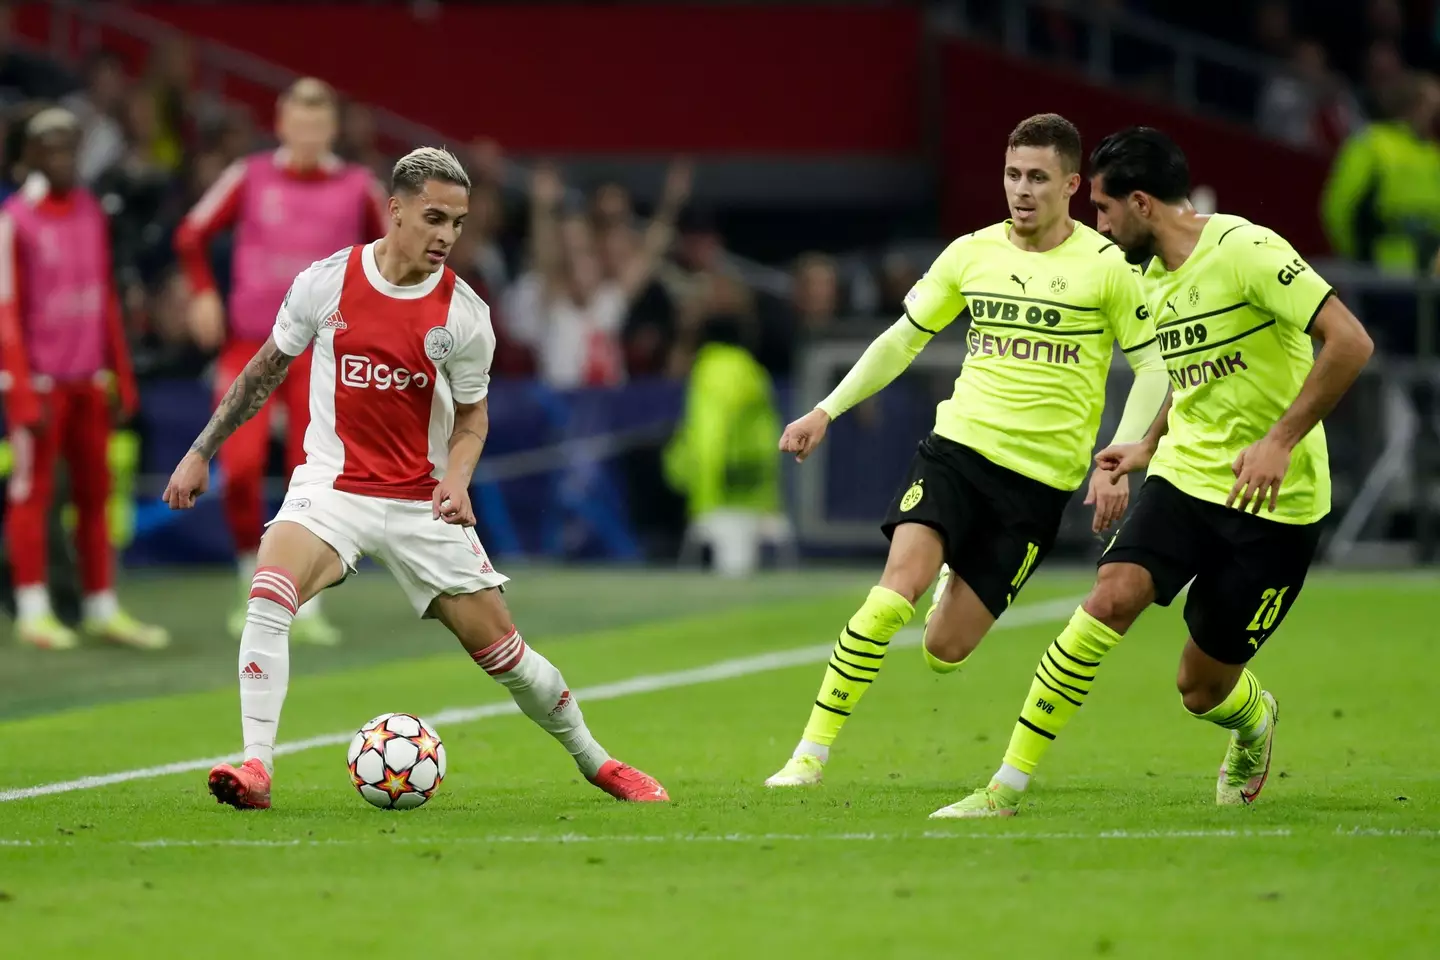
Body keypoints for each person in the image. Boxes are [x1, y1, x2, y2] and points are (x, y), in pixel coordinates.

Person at [162, 147, 668, 810]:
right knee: (267, 595)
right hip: (333, 488)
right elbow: (262, 372)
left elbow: (472, 420)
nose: (446, 237)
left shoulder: (464, 315)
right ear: (394, 210)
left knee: (507, 657)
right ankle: (256, 768)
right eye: (434, 218)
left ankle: (598, 762)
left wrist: (457, 481)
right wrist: (202, 449)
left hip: (419, 503)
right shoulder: (326, 282)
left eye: (457, 223)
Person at [934, 127, 1374, 819]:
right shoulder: (1144, 277)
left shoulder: (1246, 251)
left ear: (1141, 203)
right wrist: (1144, 444)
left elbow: (1351, 342)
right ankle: (1004, 787)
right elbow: (1191, 372)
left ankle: (1253, 720)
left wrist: (1280, 440)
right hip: (1184, 479)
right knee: (1111, 595)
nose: (1098, 227)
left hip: (1276, 503)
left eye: (1104, 211)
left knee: (1199, 688)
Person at [764, 114, 1169, 787]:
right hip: (957, 449)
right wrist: (826, 410)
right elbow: (902, 339)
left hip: (1037, 485)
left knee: (944, 651)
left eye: (1038, 177)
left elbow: (1152, 365)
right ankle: (809, 755)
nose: (1022, 189)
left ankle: (956, 581)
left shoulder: (1107, 268)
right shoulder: (971, 253)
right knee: (894, 592)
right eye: (1013, 174)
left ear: (1072, 184)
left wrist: (1119, 457)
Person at [175, 77, 388, 645]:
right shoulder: (250, 176)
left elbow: (394, 255)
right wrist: (201, 292)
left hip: (324, 352)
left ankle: (304, 598)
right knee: (239, 468)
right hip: (253, 345)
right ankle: (255, 581)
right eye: (300, 120)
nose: (310, 133)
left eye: (320, 123)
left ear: (332, 129)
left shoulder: (358, 186)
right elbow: (191, 234)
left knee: (312, 474)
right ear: (282, 122)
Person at [0, 107, 166, 650]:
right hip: (43, 384)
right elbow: (6, 311)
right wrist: (20, 388)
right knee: (32, 494)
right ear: (28, 156)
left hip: (90, 381)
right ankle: (32, 609)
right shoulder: (15, 220)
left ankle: (101, 607)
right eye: (50, 147)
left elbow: (106, 307)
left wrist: (122, 378)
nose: (64, 157)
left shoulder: (91, 212)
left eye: (71, 146)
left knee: (97, 497)